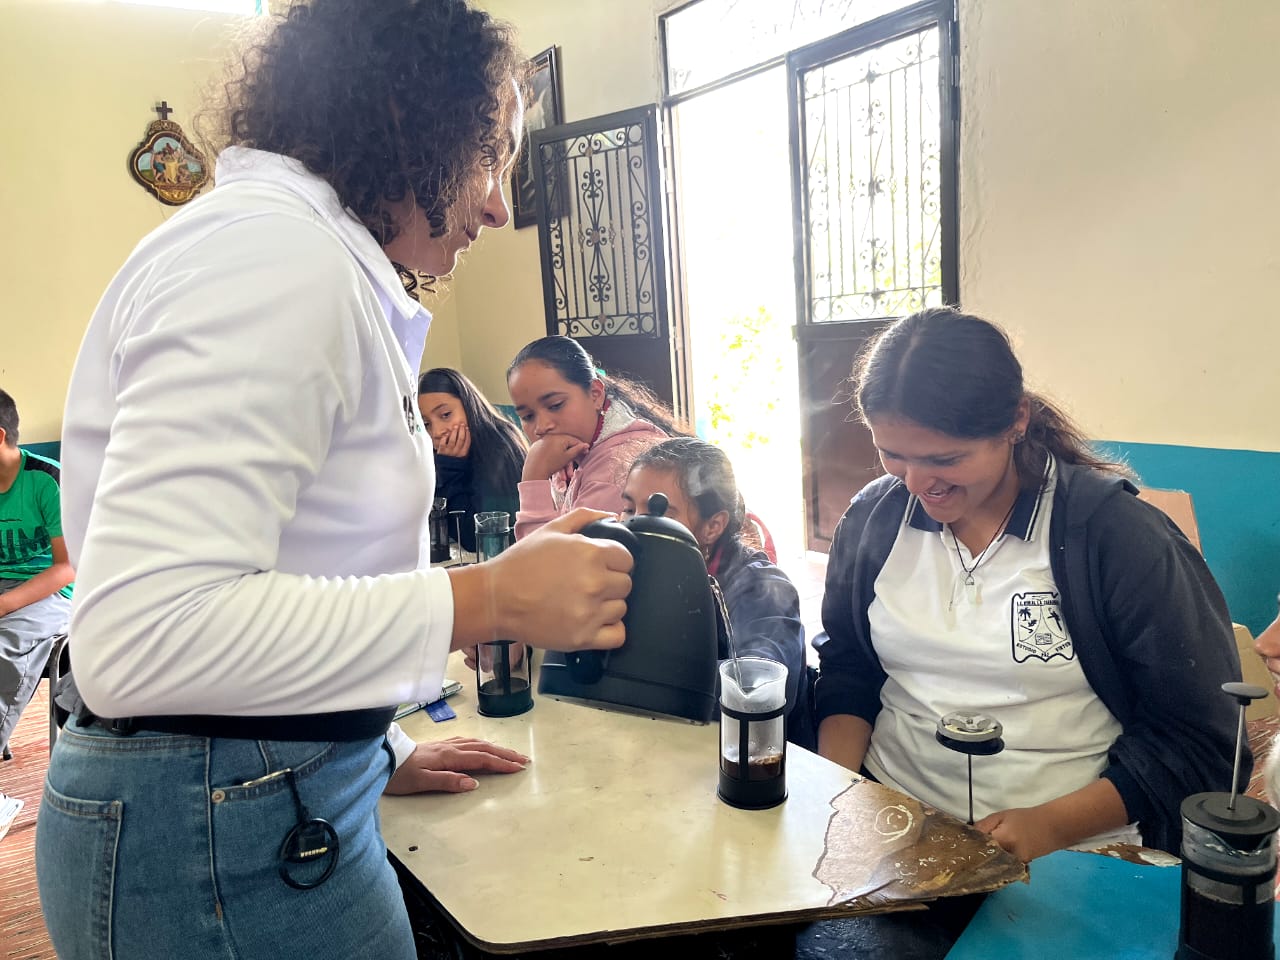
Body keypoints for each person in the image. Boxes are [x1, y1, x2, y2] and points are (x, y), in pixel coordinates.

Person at [37, 5, 633, 959]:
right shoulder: (273, 258)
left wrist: (374, 744)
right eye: (493, 156)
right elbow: (146, 637)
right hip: (216, 835)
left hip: (255, 798)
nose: (498, 207)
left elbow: (296, 559)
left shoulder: (296, 255)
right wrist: (487, 599)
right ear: (411, 119)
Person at [814, 306, 1241, 862]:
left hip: (1073, 853)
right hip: (892, 825)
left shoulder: (1114, 536)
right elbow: (848, 666)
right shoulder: (875, 520)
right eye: (891, 455)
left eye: (946, 459)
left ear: (1016, 420)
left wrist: (1053, 825)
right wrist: (836, 793)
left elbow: (1198, 737)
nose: (916, 483)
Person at [621, 437, 806, 717]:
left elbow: (756, 691)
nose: (635, 524)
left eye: (659, 513)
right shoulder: (628, 578)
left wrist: (636, 671)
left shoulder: (758, 588)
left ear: (713, 526)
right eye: (629, 509)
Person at [506, 335, 683, 540]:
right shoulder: (571, 454)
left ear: (595, 394)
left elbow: (546, 558)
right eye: (528, 416)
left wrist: (534, 478)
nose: (542, 427)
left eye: (555, 405)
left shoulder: (618, 468)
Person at [0, 389, 75, 759]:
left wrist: (4, 604)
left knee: (5, 648)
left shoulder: (48, 480)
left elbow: (67, 566)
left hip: (48, 590)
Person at [418, 367, 526, 552]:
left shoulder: (500, 445)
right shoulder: (431, 454)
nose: (436, 432)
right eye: (426, 423)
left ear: (468, 405)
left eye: (446, 415)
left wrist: (450, 471)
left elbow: (479, 540)